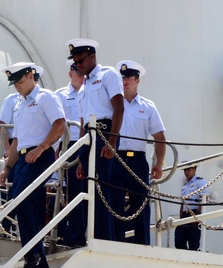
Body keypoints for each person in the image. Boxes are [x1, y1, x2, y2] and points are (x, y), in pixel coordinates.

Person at [0, 63, 65, 268]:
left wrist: (43, 147)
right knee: (23, 205)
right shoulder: (19, 104)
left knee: (21, 200)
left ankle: (32, 254)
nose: (17, 86)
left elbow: (60, 124)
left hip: (40, 155)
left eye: (19, 81)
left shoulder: (46, 97)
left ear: (30, 76)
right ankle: (37, 262)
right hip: (23, 159)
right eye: (14, 84)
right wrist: (8, 166)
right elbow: (18, 139)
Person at [68, 38, 124, 242]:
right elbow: (84, 120)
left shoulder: (108, 74)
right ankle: (85, 236)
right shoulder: (83, 87)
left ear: (92, 56)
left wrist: (112, 141)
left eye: (81, 60)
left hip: (104, 132)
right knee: (85, 188)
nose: (78, 65)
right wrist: (82, 156)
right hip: (88, 135)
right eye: (75, 62)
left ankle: (104, 238)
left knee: (102, 188)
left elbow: (119, 107)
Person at [113, 60, 166, 246]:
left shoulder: (148, 106)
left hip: (137, 160)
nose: (125, 81)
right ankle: (115, 244)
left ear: (137, 80)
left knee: (141, 205)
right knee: (114, 204)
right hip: (115, 158)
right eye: (122, 77)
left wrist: (159, 164)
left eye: (128, 77)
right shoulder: (112, 104)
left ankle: (143, 245)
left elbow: (159, 136)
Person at [55, 59, 87, 248]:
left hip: (87, 144)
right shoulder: (59, 96)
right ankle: (75, 235)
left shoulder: (90, 93)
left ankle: (86, 233)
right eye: (78, 74)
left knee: (90, 191)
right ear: (70, 74)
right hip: (70, 144)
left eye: (83, 74)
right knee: (74, 191)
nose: (81, 78)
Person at [176, 164, 208, 251]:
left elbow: (204, 199)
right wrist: (181, 217)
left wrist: (197, 216)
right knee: (178, 242)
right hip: (184, 216)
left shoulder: (200, 182)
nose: (186, 172)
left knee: (193, 244)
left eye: (189, 169)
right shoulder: (184, 185)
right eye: (185, 170)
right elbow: (182, 203)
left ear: (195, 169)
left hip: (194, 215)